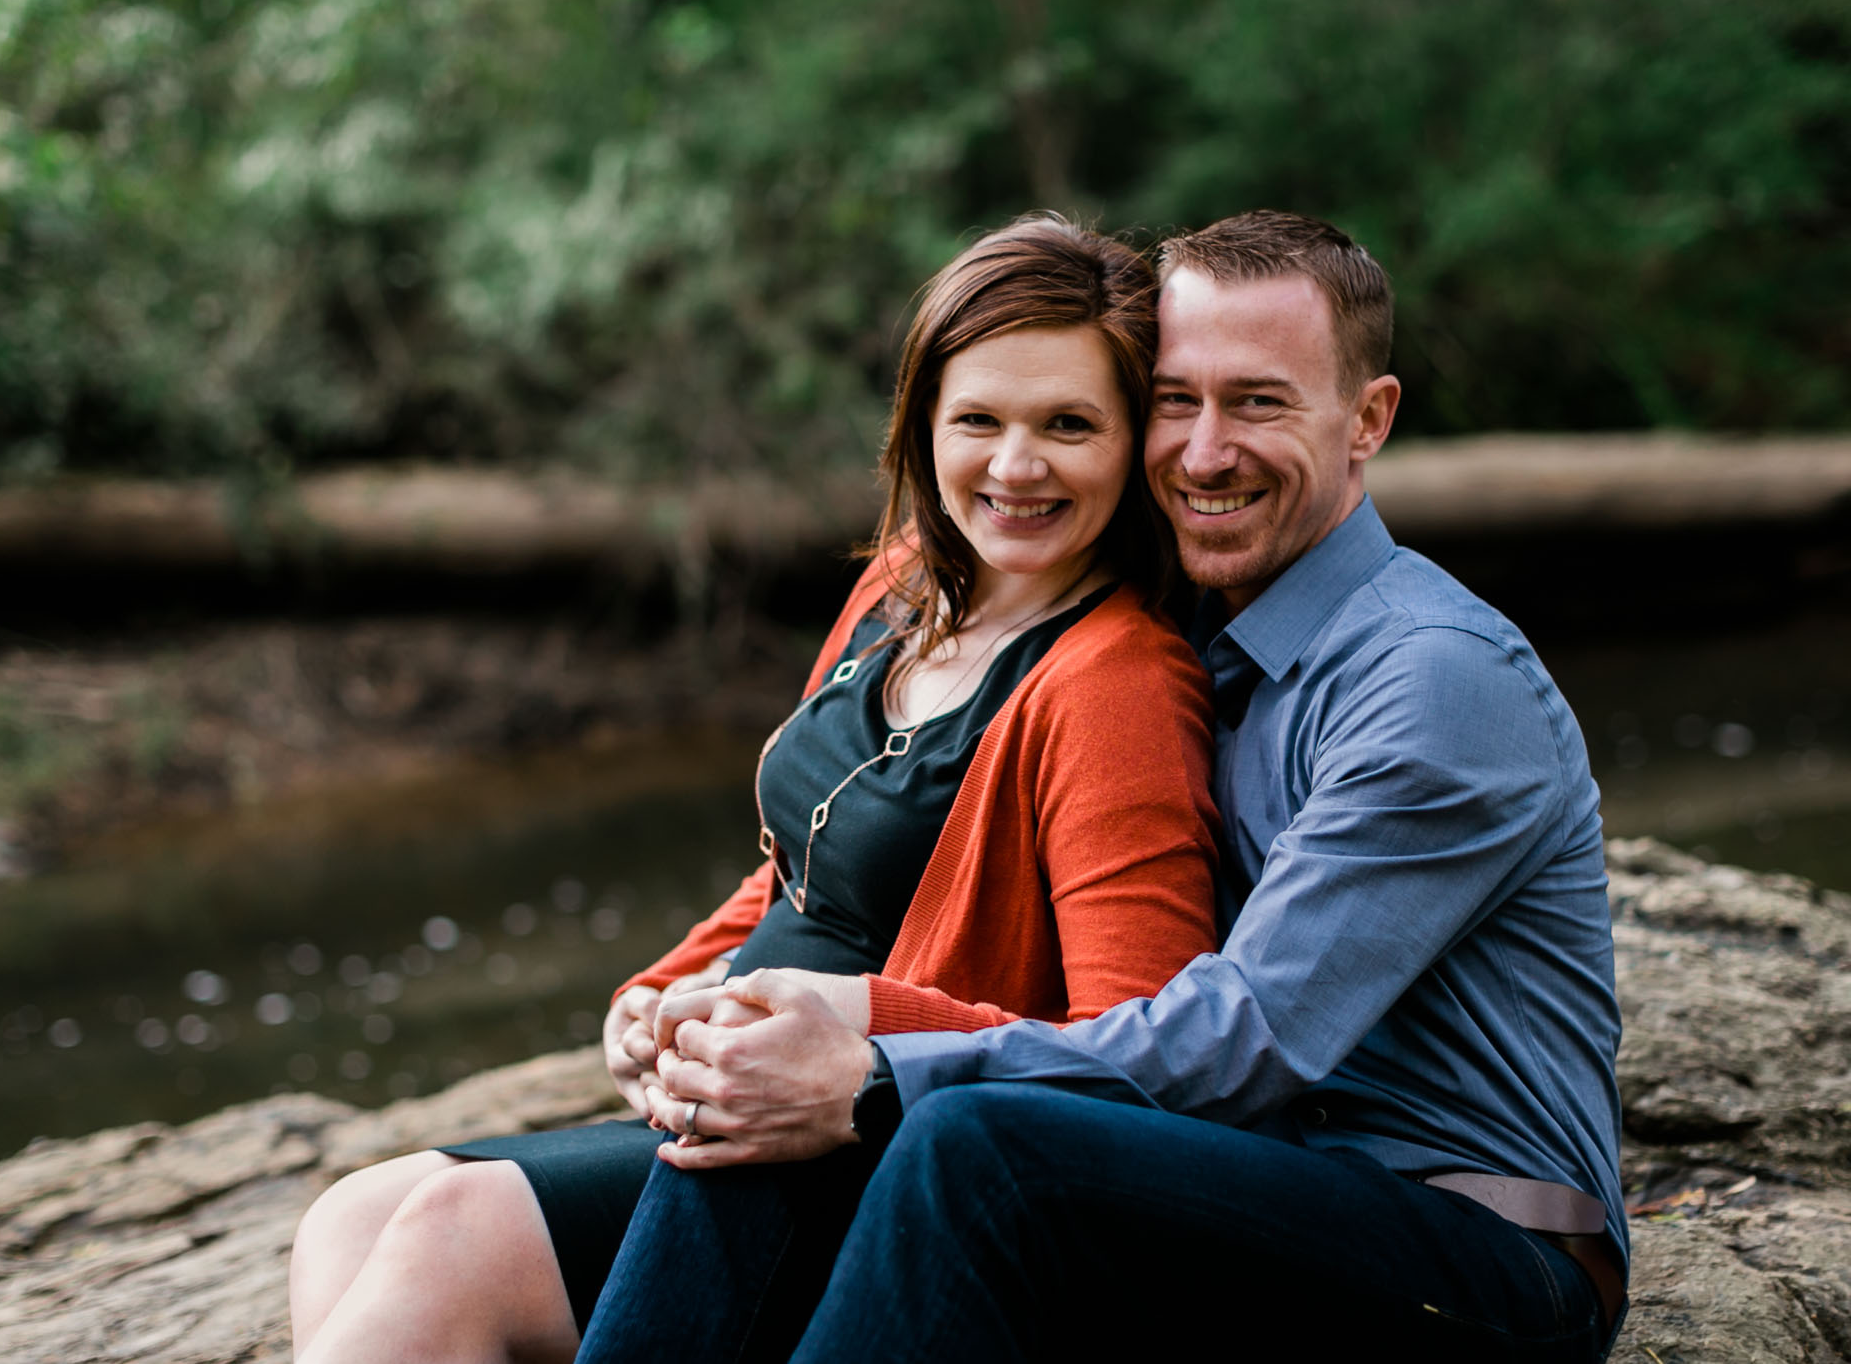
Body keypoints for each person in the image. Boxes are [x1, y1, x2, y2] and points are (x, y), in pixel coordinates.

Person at [578, 210, 1627, 1364]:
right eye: (1175, 400)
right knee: (769, 1098)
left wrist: (877, 1050)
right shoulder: (1187, 621)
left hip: (1474, 1258)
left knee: (963, 1137)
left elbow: (1242, 1039)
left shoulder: (1427, 679)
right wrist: (735, 1012)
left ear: (1367, 418)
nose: (1203, 450)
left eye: (1259, 402)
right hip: (1238, 1185)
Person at [286, 214, 1223, 1364]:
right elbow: (803, 868)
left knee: (449, 1236)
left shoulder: (1117, 682)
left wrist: (866, 1025)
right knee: (349, 1216)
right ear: (920, 426)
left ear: (1134, 444)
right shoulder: (903, 587)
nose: (1014, 465)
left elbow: (1141, 1053)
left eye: (1067, 425)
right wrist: (663, 988)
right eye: (977, 419)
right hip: (736, 1114)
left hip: (868, 1155)